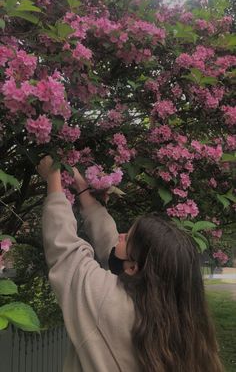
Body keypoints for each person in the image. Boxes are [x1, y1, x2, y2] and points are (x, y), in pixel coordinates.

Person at [38, 155, 224, 372]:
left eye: (128, 238)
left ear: (134, 268)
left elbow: (65, 250)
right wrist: (83, 191)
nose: (121, 235)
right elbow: (111, 241)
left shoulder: (106, 303)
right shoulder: (183, 324)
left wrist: (53, 179)